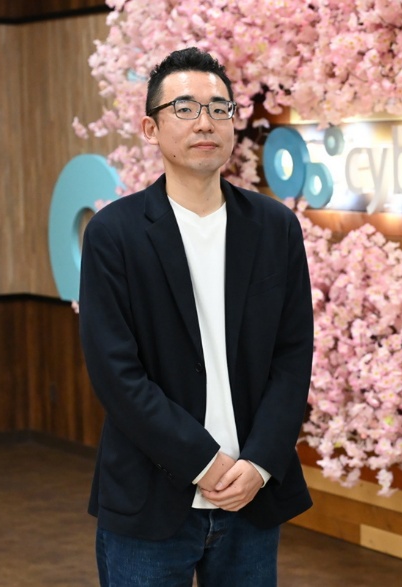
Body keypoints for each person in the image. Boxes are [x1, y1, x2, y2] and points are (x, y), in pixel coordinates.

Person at [79, 47, 314, 586]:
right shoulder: (114, 234)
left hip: (250, 496)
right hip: (149, 498)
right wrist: (206, 463)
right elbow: (116, 373)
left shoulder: (275, 227)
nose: (205, 122)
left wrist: (258, 464)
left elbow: (293, 354)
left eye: (219, 108)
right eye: (184, 109)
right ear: (150, 128)